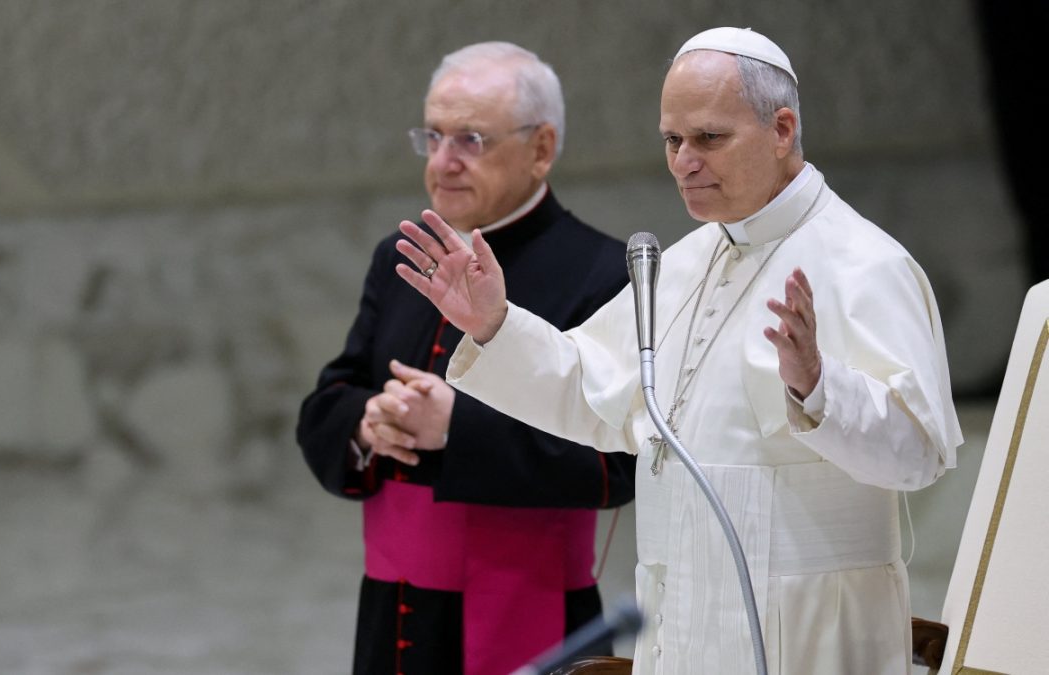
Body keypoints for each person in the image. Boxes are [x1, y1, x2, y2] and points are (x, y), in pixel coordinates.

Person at [395, 27, 964, 675]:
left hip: (811, 630)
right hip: (683, 621)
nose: (683, 162)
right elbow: (597, 396)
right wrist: (495, 324)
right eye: (672, 140)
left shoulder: (866, 264)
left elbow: (919, 454)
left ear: (781, 130)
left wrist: (819, 388)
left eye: (709, 138)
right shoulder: (686, 262)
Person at [296, 42, 636, 675]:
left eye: (470, 140)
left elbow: (620, 462)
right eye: (432, 137)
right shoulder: (400, 258)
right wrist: (370, 422)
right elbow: (330, 398)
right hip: (395, 615)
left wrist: (456, 428)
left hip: (530, 610)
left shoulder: (603, 273)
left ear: (541, 148)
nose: (442, 162)